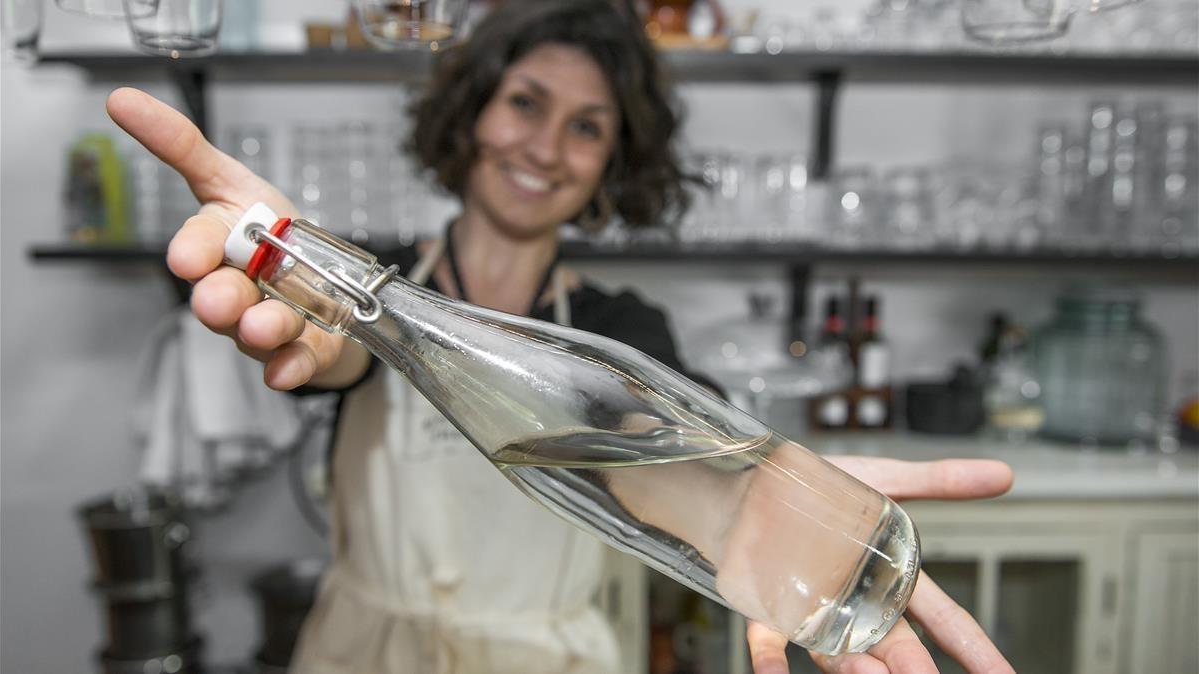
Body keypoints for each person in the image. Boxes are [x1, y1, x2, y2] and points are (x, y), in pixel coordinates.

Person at [106, 1, 1016, 672]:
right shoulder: (376, 281)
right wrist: (298, 273)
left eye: (587, 129)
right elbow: (343, 343)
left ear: (613, 165)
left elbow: (652, 455)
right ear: (469, 114)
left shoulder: (622, 326)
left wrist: (756, 506)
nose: (546, 146)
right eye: (526, 104)